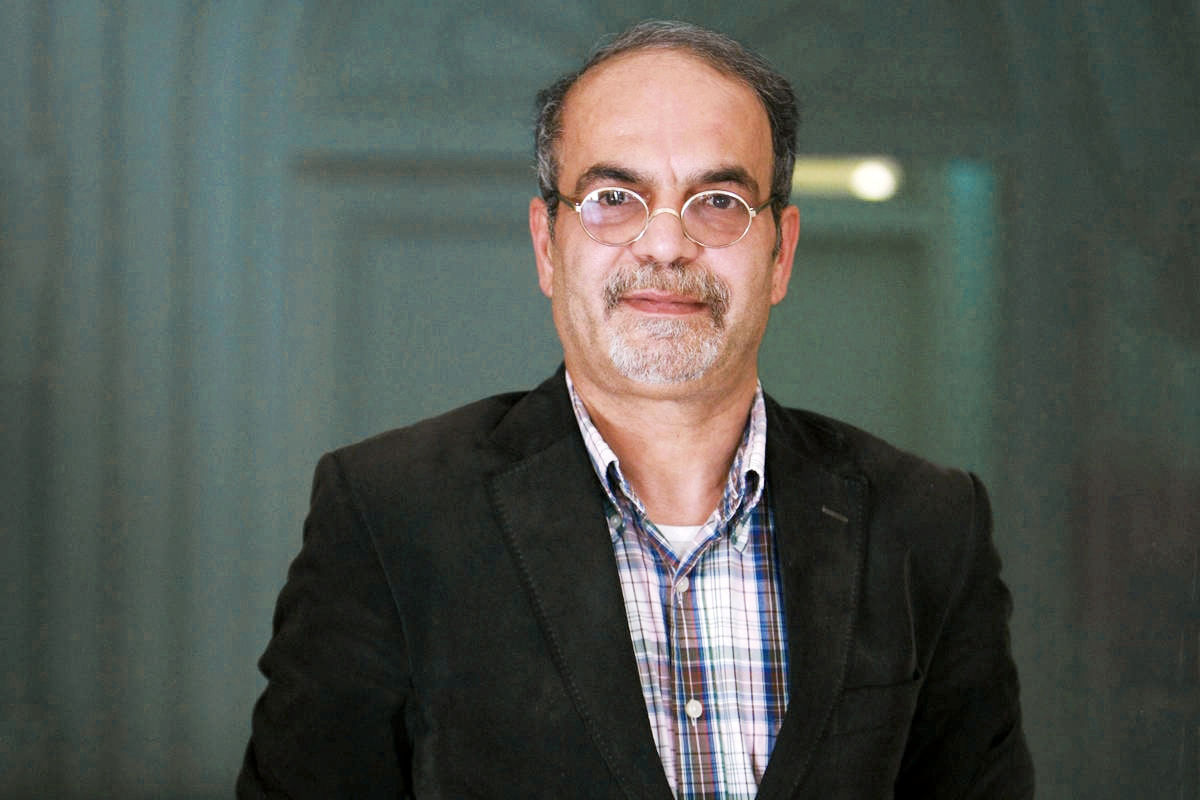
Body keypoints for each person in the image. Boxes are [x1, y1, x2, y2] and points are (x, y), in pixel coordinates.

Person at [238, 20, 1034, 799]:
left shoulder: (930, 527)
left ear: (780, 253)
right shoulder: (389, 516)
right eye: (613, 198)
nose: (664, 244)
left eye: (718, 201)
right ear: (547, 246)